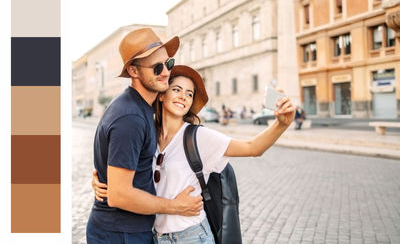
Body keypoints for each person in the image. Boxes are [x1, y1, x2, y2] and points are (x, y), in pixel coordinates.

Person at [92, 65, 295, 243]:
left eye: (189, 94)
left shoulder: (200, 137)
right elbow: (122, 163)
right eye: (177, 89)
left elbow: (253, 147)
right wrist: (99, 179)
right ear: (162, 94)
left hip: (192, 237)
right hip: (155, 237)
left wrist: (281, 124)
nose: (183, 96)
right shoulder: (147, 134)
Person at [86, 28, 204, 244]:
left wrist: (102, 178)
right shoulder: (130, 117)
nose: (166, 73)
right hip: (120, 234)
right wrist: (176, 206)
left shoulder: (139, 107)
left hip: (128, 230)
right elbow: (119, 195)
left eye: (168, 64)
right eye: (156, 67)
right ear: (133, 71)